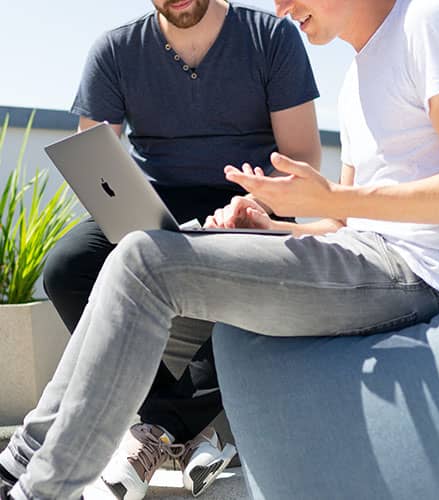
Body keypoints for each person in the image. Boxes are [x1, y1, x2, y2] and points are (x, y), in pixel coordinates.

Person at [1, 0, 439, 498]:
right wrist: (271, 228)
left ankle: (39, 489)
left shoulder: (427, 21)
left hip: (419, 274)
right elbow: (343, 225)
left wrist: (331, 198)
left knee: (144, 263)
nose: (281, 8)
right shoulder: (359, 73)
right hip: (367, 256)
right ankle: (24, 459)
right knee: (133, 258)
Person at [30, 0, 321, 497]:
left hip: (251, 200)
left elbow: (301, 156)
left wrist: (252, 204)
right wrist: (131, 211)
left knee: (254, 270)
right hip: (155, 202)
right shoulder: (115, 50)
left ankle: (160, 429)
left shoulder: (271, 37)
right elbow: (93, 162)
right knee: (66, 268)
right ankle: (181, 427)